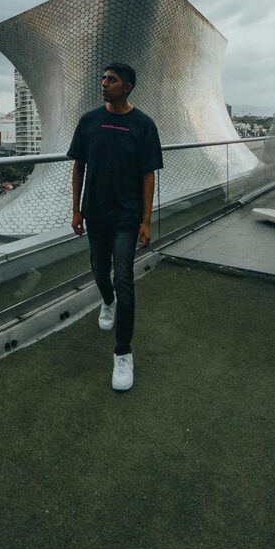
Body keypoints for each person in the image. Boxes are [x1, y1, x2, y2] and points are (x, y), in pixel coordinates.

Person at [68, 62, 163, 392]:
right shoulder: (89, 121)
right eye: (103, 78)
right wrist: (77, 210)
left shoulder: (143, 125)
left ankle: (123, 352)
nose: (104, 83)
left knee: (124, 279)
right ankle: (105, 301)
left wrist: (146, 220)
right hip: (96, 213)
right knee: (98, 270)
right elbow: (79, 165)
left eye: (111, 80)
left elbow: (148, 175)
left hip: (127, 216)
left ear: (128, 87)